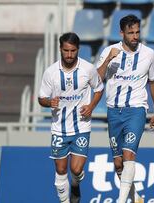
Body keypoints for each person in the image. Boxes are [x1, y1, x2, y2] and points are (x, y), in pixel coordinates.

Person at [96, 14, 154, 203]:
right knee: (118, 164)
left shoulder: (148, 54)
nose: (135, 36)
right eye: (130, 32)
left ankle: (121, 201)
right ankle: (136, 198)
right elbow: (96, 80)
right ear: (121, 33)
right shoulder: (110, 51)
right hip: (114, 111)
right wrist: (108, 60)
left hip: (136, 109)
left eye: (137, 32)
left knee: (129, 155)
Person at [38, 32, 104, 203]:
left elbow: (99, 88)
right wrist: (49, 102)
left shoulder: (88, 69)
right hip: (59, 128)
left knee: (76, 169)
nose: (69, 55)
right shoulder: (51, 72)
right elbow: (41, 98)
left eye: (73, 51)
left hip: (81, 126)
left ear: (78, 49)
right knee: (61, 171)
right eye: (66, 51)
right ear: (60, 49)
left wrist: (91, 107)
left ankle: (75, 184)